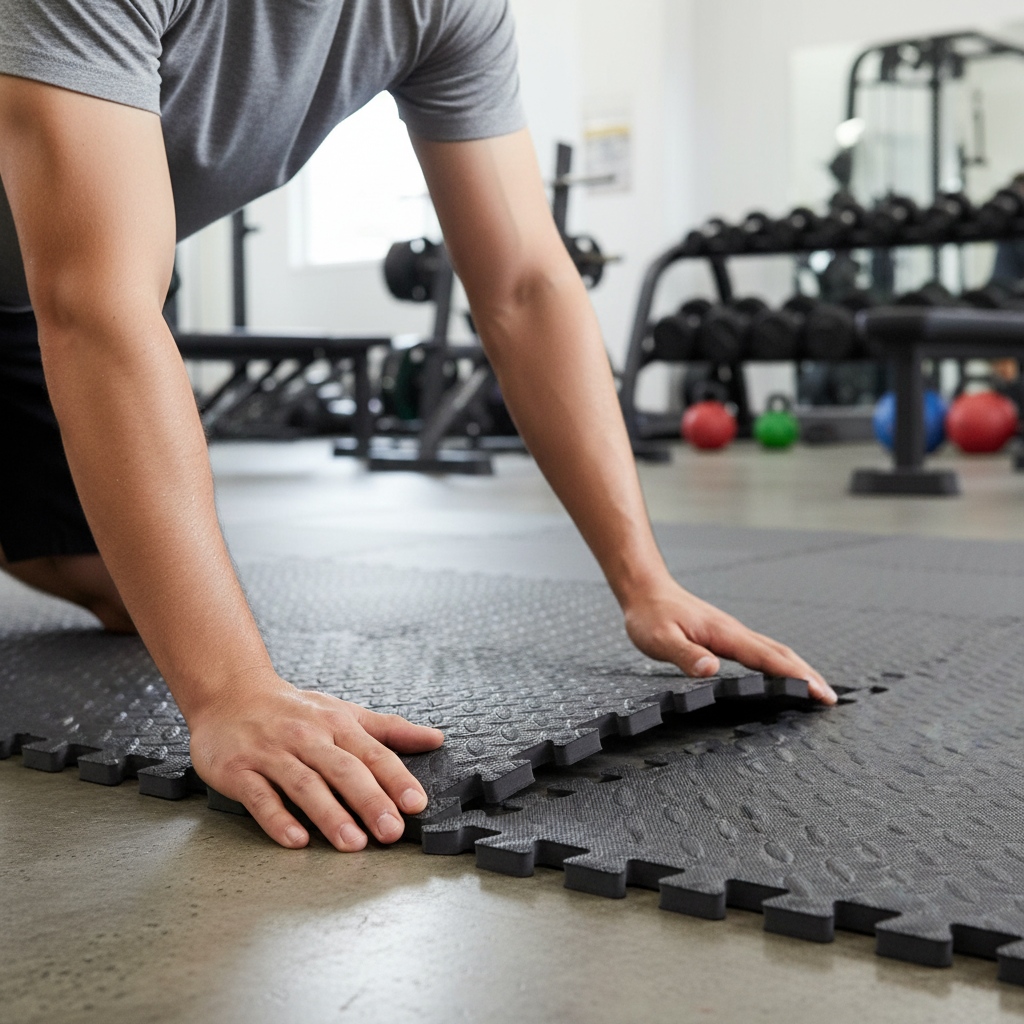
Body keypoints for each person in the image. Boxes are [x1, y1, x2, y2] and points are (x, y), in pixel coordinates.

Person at [0, 0, 835, 855]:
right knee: (190, 630)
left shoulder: (448, 8)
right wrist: (232, 693)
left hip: (22, 299)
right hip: (63, 286)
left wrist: (644, 580)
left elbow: (524, 285)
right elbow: (95, 304)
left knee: (117, 585)